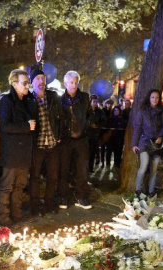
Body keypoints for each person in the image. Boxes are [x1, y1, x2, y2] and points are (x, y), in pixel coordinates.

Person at [0, 69, 37, 226]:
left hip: (24, 151)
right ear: (14, 83)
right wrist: (26, 126)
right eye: (24, 83)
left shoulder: (27, 101)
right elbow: (5, 125)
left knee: (20, 185)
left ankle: (17, 214)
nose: (28, 86)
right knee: (7, 186)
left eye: (28, 83)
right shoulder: (7, 101)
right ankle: (3, 217)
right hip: (12, 152)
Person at [28, 69, 64, 217]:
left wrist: (60, 135)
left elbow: (61, 117)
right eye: (37, 79)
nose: (41, 81)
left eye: (42, 78)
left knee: (53, 176)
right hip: (37, 144)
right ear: (32, 82)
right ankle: (35, 206)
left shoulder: (53, 96)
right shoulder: (29, 99)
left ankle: (49, 202)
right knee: (35, 177)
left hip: (53, 143)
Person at [58, 70, 92, 210]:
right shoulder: (61, 100)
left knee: (82, 169)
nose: (74, 85)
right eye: (71, 82)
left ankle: (81, 196)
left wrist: (86, 128)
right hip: (66, 139)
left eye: (76, 82)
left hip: (81, 139)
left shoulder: (84, 97)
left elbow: (89, 114)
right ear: (65, 83)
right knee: (64, 168)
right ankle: (63, 197)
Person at [131, 89, 163, 196]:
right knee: (144, 166)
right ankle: (138, 190)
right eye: (152, 97)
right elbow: (137, 128)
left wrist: (161, 137)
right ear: (149, 98)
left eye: (157, 97)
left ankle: (151, 191)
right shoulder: (142, 111)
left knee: (154, 169)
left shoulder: (162, 112)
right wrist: (134, 144)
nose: (154, 99)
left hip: (157, 145)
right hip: (144, 142)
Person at [87, 95, 105, 172]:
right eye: (93, 101)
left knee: (93, 153)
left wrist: (97, 125)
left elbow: (104, 121)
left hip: (95, 135)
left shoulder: (100, 112)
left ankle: (90, 167)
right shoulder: (86, 111)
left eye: (96, 102)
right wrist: (89, 125)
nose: (95, 103)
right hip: (86, 135)